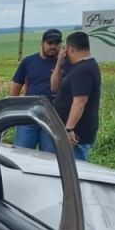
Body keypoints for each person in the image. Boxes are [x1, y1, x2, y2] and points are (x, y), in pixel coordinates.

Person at [44, 31, 101, 161]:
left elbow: (80, 102)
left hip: (75, 136)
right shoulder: (85, 66)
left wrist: (69, 129)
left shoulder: (82, 70)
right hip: (72, 133)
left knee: (75, 171)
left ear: (71, 48)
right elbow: (54, 87)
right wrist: (59, 64)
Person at [8, 29, 62, 149]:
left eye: (57, 43)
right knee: (22, 153)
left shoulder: (64, 63)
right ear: (42, 44)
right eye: (50, 43)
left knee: (49, 158)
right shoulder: (28, 61)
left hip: (53, 119)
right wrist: (13, 109)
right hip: (29, 115)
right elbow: (16, 85)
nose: (53, 46)